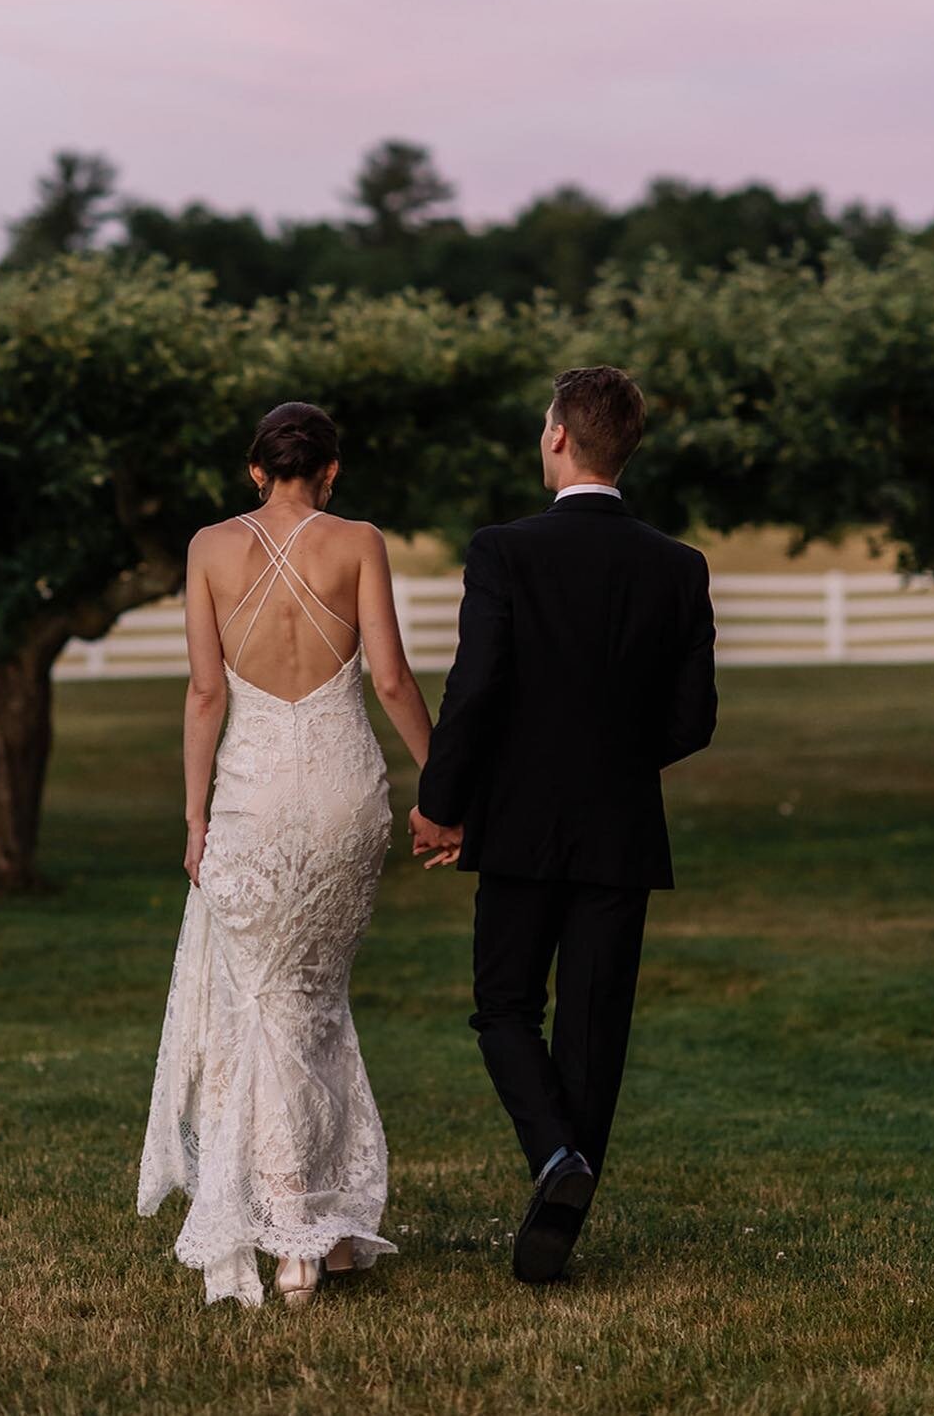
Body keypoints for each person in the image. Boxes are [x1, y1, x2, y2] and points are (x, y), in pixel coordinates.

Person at [410, 365, 717, 1284]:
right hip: (620, 828)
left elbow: (474, 690)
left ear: (556, 437)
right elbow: (691, 718)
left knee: (503, 1003)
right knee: (594, 1026)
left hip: (518, 824)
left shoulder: (503, 551)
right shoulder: (678, 564)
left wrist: (440, 801)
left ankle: (554, 1162)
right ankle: (564, 1186)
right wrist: (612, 769)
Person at [138, 401, 448, 1308]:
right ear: (332, 470)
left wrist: (193, 818)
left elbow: (204, 692)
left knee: (267, 1000)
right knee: (308, 999)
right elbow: (389, 678)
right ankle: (321, 1227)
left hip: (251, 794)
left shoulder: (206, 548)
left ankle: (298, 1236)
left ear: (254, 470)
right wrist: (447, 788)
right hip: (344, 791)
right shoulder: (357, 541)